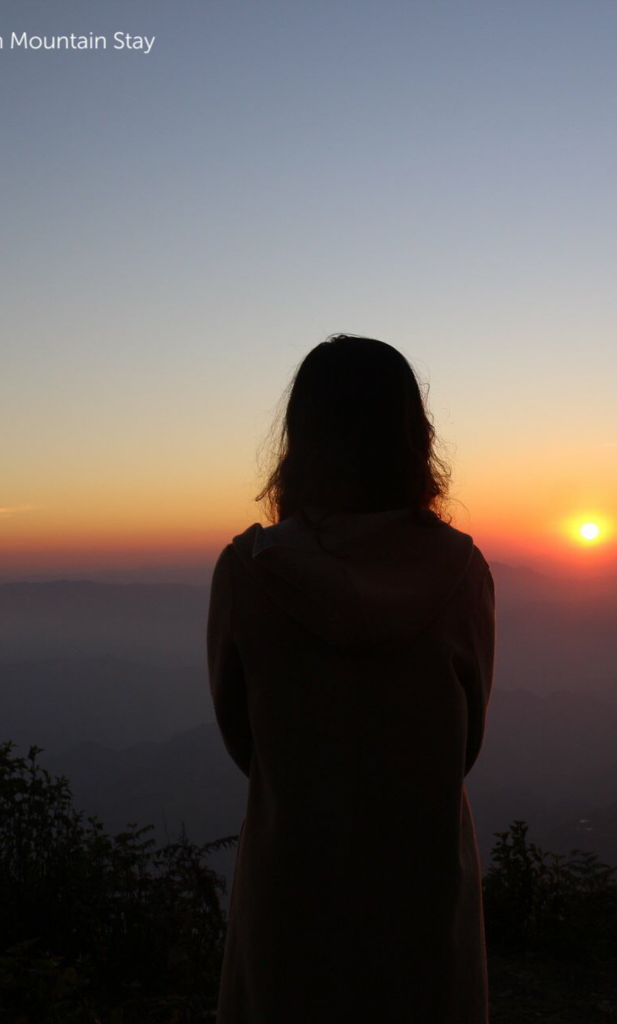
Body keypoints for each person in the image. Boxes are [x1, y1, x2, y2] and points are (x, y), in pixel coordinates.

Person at [208, 335, 495, 1022]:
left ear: (301, 438)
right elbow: (467, 742)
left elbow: (243, 742)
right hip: (423, 900)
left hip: (293, 902)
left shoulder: (248, 573)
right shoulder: (460, 572)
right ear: (413, 437)